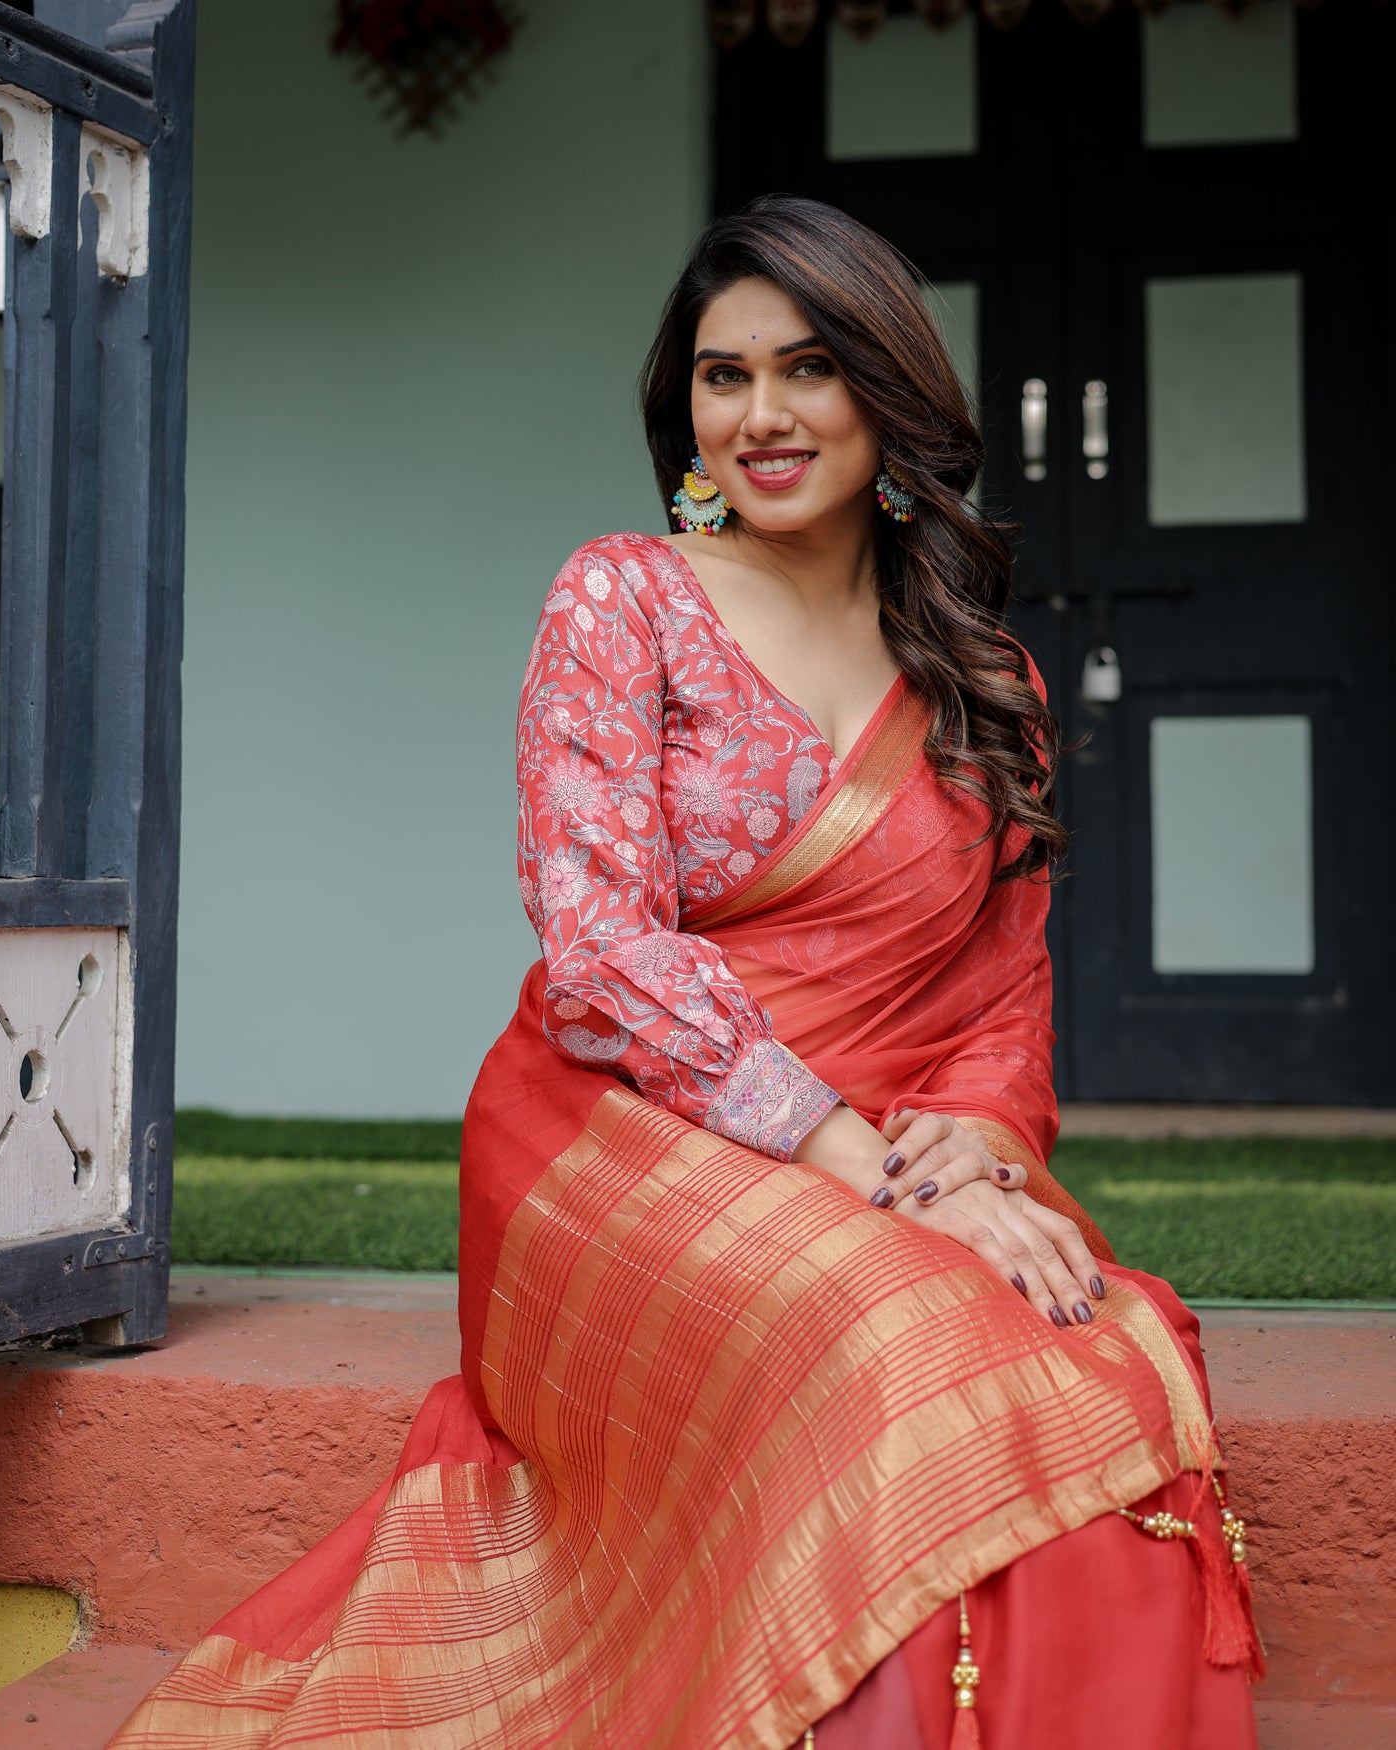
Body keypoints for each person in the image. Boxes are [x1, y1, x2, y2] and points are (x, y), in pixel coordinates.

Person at [111, 196, 1262, 1749]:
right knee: (897, 1340)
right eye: (725, 377)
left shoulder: (988, 682)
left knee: (1091, 1344)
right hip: (613, 1138)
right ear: (685, 408)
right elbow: (600, 955)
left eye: (810, 368)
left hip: (881, 1146)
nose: (764, 415)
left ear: (888, 393)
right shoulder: (624, 599)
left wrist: (979, 1147)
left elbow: (1001, 989)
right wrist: (885, 1175)